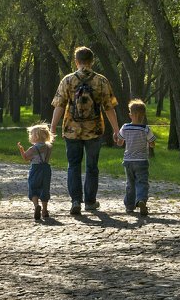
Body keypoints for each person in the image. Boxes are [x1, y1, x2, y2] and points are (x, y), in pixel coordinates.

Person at [51, 46, 120, 215]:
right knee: (92, 166)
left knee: (73, 165)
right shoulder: (101, 81)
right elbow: (109, 107)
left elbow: (59, 106)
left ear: (76, 61)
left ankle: (75, 201)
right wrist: (116, 129)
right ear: (92, 61)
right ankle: (89, 201)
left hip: (71, 130)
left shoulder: (68, 80)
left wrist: (52, 127)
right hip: (94, 130)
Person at [116, 99, 157, 216]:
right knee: (142, 182)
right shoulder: (146, 129)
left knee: (130, 183)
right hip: (142, 161)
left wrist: (116, 138)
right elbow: (152, 143)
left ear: (130, 115)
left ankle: (129, 206)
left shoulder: (125, 127)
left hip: (128, 161)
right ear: (143, 115)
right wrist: (150, 144)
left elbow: (120, 142)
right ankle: (141, 200)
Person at [18, 123, 53, 222]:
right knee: (45, 188)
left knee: (33, 187)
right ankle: (45, 210)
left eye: (31, 134)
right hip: (46, 169)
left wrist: (21, 150)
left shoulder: (33, 148)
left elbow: (25, 158)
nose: (30, 136)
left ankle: (36, 205)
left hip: (36, 169)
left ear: (36, 136)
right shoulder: (49, 147)